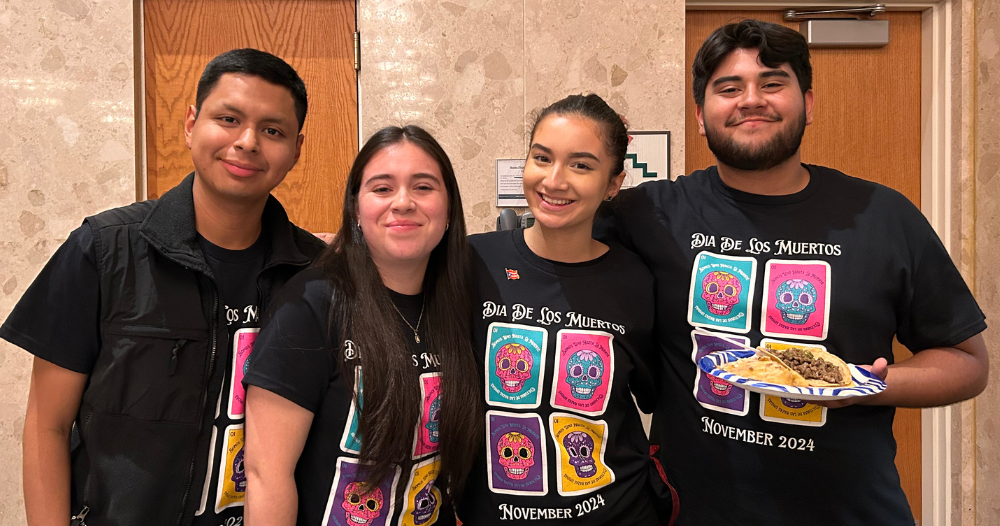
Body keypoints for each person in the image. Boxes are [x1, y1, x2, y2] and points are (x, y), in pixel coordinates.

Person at [595, 19, 989, 525]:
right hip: (697, 512)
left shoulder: (884, 216)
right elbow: (551, 241)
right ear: (700, 116)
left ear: (809, 103)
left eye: (772, 83)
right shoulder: (650, 215)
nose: (751, 100)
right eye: (729, 88)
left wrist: (865, 385)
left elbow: (967, 362)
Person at [1, 48, 326, 525]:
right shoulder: (103, 249)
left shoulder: (317, 275)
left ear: (296, 149)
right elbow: (46, 425)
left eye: (272, 131)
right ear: (191, 123)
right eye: (229, 119)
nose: (247, 142)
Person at [242, 125, 481, 526]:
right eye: (382, 188)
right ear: (356, 209)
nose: (403, 203)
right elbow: (267, 477)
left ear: (449, 208)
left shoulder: (460, 304)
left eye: (423, 187)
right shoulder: (311, 304)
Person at [457, 94, 665, 525]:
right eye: (542, 158)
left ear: (613, 184)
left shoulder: (635, 280)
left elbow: (655, 396)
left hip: (617, 512)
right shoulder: (470, 261)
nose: (554, 180)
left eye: (581, 165)